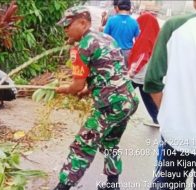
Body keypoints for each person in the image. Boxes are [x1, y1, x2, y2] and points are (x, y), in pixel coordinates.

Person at [54, 6, 138, 190]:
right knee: (110, 142)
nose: (65, 30)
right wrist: (89, 90)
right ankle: (112, 185)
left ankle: (62, 187)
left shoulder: (82, 47)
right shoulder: (106, 38)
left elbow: (76, 85)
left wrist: (65, 90)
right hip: (129, 100)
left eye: (68, 25)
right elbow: (109, 71)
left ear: (83, 22)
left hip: (111, 105)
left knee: (82, 145)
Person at [144, 0, 196, 189]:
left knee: (168, 183)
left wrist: (170, 114)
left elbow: (152, 81)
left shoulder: (175, 26)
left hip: (176, 135)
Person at [127, 12, 160, 127]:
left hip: (140, 73)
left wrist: (132, 71)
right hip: (147, 73)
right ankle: (157, 119)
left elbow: (143, 56)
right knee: (147, 95)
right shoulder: (154, 34)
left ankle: (117, 115)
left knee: (123, 92)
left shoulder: (146, 37)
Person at [104, 0, 139, 67]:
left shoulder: (111, 20)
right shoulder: (134, 22)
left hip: (113, 51)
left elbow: (105, 37)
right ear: (130, 8)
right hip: (127, 53)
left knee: (113, 73)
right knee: (124, 73)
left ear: (118, 7)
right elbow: (137, 41)